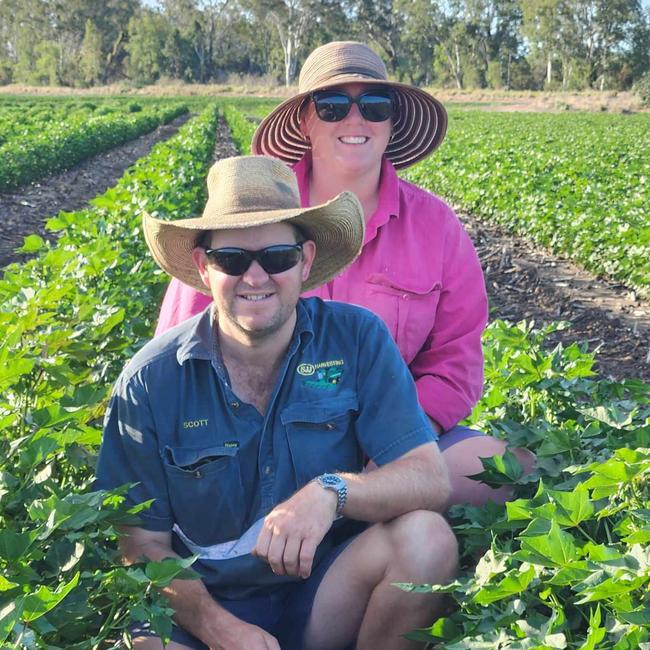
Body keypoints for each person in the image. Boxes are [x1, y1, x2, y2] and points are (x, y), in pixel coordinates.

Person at [95, 155, 457, 650]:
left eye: (278, 257)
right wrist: (223, 630)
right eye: (232, 260)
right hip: (202, 607)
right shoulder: (150, 380)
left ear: (306, 260)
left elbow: (429, 478)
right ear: (204, 268)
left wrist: (332, 492)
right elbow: (140, 545)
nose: (256, 277)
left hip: (324, 589)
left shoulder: (355, 338)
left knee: (426, 539)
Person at [155, 41, 534, 506]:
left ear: (391, 122)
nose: (355, 120)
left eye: (374, 105)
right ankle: (352, 519)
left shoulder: (436, 226)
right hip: (263, 443)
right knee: (412, 522)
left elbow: (455, 361)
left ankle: (359, 508)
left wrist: (399, 442)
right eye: (332, 106)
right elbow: (178, 351)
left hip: (391, 435)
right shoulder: (252, 216)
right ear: (305, 121)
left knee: (507, 472)